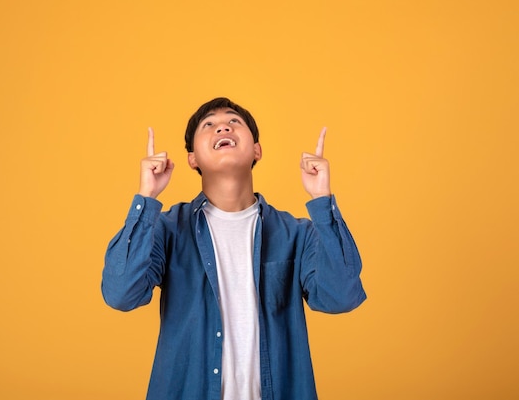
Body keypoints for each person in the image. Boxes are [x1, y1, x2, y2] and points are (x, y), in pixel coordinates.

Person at [101, 97, 366, 400]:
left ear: (257, 150)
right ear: (192, 159)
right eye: (209, 125)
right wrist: (146, 198)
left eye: (234, 122)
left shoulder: (297, 234)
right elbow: (120, 293)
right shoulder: (168, 229)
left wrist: (322, 201)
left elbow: (342, 296)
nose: (222, 126)